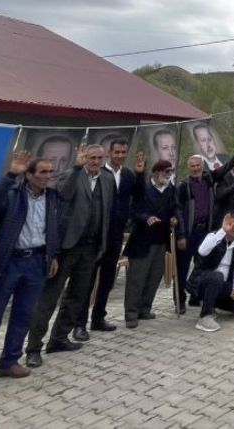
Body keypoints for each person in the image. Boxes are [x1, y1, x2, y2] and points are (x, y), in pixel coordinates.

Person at [0, 154, 59, 393]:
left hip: (37, 262)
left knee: (23, 316)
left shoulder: (52, 197)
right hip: (9, 262)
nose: (49, 176)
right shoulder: (12, 194)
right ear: (29, 174)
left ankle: (9, 361)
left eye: (51, 172)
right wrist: (10, 175)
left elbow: (53, 227)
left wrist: (53, 255)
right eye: (43, 172)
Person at [26, 144, 115, 368]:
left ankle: (59, 338)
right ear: (84, 158)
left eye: (99, 158)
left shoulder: (106, 179)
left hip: (92, 247)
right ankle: (33, 347)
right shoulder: (71, 175)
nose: (96, 161)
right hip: (68, 247)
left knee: (77, 296)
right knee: (49, 298)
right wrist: (76, 169)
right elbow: (64, 196)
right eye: (92, 157)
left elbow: (107, 211)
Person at [174, 137, 234, 313]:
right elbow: (178, 211)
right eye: (193, 166)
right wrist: (181, 234)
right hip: (189, 232)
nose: (196, 168)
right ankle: (179, 300)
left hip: (205, 230)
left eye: (198, 165)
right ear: (189, 168)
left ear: (203, 166)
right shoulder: (184, 186)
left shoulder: (208, 179)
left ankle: (195, 296)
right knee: (182, 268)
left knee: (202, 265)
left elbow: (225, 168)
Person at [77, 139, 137, 337]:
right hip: (96, 234)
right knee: (88, 279)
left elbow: (139, 198)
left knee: (107, 279)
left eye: (123, 152)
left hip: (116, 234)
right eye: (117, 152)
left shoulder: (128, 175)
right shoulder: (99, 172)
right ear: (110, 153)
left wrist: (142, 173)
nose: (120, 155)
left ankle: (98, 317)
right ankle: (79, 322)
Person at [122, 158, 184, 329]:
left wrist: (174, 219)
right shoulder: (144, 188)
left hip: (161, 239)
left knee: (154, 277)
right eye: (166, 172)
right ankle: (131, 313)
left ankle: (144, 308)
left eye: (170, 172)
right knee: (137, 278)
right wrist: (145, 218)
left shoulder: (171, 190)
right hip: (142, 241)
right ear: (157, 172)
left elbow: (174, 209)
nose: (169, 175)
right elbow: (133, 211)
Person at [189, 212, 234, 332]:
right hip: (201, 281)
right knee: (217, 276)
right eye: (230, 224)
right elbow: (202, 251)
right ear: (224, 224)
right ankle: (204, 317)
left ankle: (212, 304)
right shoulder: (213, 236)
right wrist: (222, 231)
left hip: (222, 284)